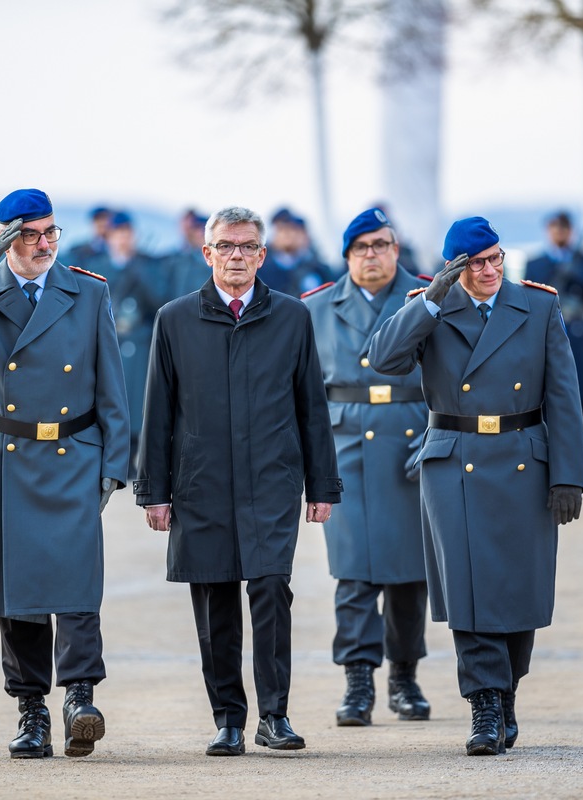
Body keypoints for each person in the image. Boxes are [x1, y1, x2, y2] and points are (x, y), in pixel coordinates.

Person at [0, 188, 130, 760]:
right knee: (21, 595)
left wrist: (114, 465)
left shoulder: (87, 291)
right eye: (29, 234)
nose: (43, 244)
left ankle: (81, 697)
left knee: (78, 581)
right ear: (6, 238)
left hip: (73, 452)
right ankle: (31, 710)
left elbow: (111, 384)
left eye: (50, 232)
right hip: (7, 456)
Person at [369, 216, 583, 756]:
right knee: (469, 590)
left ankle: (506, 687)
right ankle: (484, 702)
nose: (490, 271)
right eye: (476, 264)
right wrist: (428, 303)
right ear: (455, 269)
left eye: (496, 259)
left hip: (523, 457)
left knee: (518, 587)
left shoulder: (537, 306)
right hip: (455, 458)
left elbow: (563, 395)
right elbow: (382, 359)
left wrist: (568, 477)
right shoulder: (434, 307)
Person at [134, 205, 342, 757]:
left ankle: (275, 716)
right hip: (201, 484)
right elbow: (158, 412)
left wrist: (323, 485)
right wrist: (153, 490)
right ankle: (228, 719)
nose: (236, 256)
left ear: (262, 255)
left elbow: (312, 409)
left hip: (271, 480)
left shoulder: (292, 318)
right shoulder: (174, 320)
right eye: (225, 246)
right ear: (207, 253)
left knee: (272, 589)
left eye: (247, 247)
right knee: (215, 600)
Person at [301, 208, 433, 727]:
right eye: (362, 248)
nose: (372, 255)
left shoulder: (428, 298)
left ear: (396, 250)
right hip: (345, 444)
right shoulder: (315, 308)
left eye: (381, 245)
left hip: (410, 438)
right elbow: (302, 390)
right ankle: (358, 682)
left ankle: (404, 677)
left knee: (408, 573)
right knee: (353, 570)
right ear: (348, 255)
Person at [84, 211, 163, 473]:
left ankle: (136, 459)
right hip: (110, 340)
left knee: (138, 402)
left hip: (139, 342)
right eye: (118, 234)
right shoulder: (98, 265)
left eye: (127, 234)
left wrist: (140, 274)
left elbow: (159, 302)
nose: (123, 240)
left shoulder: (148, 265)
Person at [524, 210, 583, 426]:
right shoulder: (536, 263)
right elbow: (527, 298)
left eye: (564, 228)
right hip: (545, 332)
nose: (559, 233)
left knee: (582, 390)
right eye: (555, 228)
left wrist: (575, 273)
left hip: (576, 329)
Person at [264, 208, 331, 296]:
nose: (288, 235)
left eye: (293, 229)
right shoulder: (262, 270)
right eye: (282, 230)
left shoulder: (316, 267)